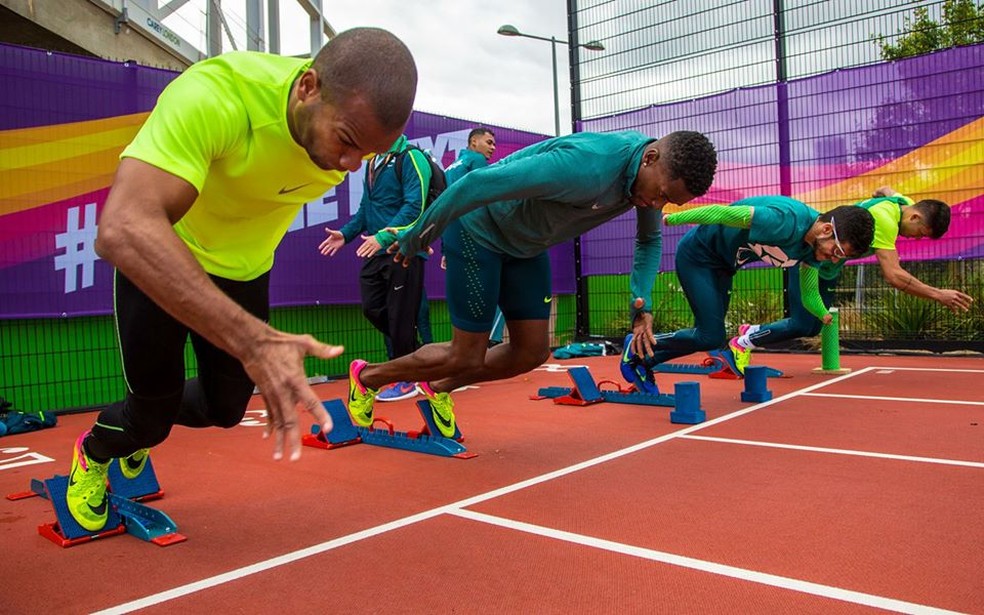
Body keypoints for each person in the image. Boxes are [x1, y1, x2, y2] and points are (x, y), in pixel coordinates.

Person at [67, 28, 418, 532]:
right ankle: (97, 450)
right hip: (164, 257)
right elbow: (123, 228)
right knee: (151, 415)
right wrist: (252, 340)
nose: (348, 165)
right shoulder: (219, 96)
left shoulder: (343, 129)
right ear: (308, 87)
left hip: (244, 270)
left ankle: (146, 429)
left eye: (366, 155)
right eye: (345, 142)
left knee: (226, 409)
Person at [346, 130, 718, 438]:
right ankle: (367, 378)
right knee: (466, 354)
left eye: (668, 202)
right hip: (479, 231)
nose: (657, 204)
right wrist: (419, 233)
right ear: (651, 158)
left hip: (526, 246)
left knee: (531, 352)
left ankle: (437, 388)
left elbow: (649, 240)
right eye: (663, 194)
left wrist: (642, 305)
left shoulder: (647, 181)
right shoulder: (584, 165)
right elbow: (475, 183)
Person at [619, 196, 875, 387]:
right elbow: (724, 213)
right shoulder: (785, 220)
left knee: (710, 337)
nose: (834, 259)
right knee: (710, 335)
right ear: (827, 229)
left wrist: (822, 314)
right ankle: (635, 346)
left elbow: (808, 292)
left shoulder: (813, 252)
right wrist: (676, 218)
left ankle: (644, 360)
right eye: (838, 252)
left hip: (723, 267)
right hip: (698, 256)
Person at [727, 187, 973, 369]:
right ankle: (743, 341)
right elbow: (894, 276)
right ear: (915, 218)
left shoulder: (904, 204)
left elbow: (884, 190)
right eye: (921, 233)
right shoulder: (885, 221)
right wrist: (938, 294)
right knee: (803, 324)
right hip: (811, 258)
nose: (917, 238)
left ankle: (752, 330)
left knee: (814, 325)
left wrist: (874, 198)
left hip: (829, 266)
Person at [319, 134, 431, 403]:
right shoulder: (372, 163)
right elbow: (364, 211)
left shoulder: (411, 157)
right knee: (373, 308)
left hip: (401, 249)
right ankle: (421, 362)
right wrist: (345, 235)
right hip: (374, 249)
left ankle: (407, 378)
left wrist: (384, 236)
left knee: (401, 318)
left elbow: (416, 206)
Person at [444, 127, 505, 347]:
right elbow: (487, 200)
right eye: (488, 142)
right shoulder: (477, 162)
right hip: (477, 235)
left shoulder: (450, 168)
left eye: (494, 144)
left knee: (467, 292)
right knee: (501, 285)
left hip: (454, 236)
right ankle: (491, 340)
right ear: (473, 142)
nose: (492, 148)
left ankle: (470, 343)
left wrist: (445, 247)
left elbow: (444, 208)